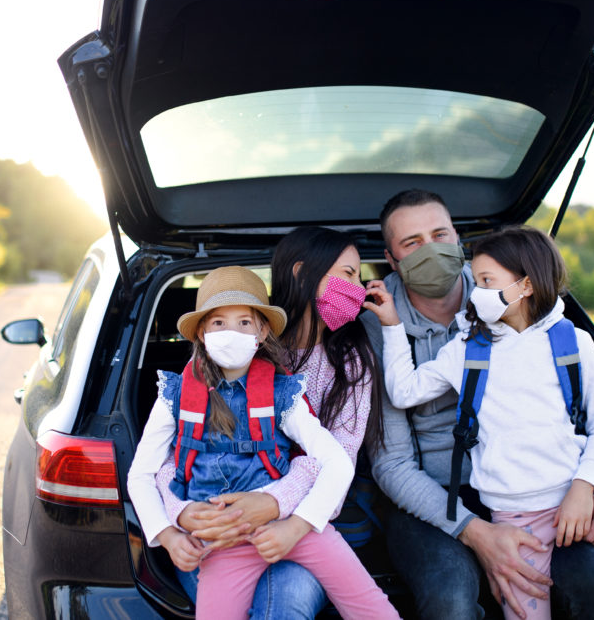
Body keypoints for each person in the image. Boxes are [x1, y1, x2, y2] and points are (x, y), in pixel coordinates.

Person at [369, 225, 594, 620]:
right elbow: (404, 392)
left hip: (580, 504)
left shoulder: (573, 342)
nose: (476, 292)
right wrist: (391, 325)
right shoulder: (467, 348)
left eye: (486, 281)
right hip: (515, 523)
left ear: (524, 286)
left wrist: (586, 486)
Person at [126, 265, 399, 620]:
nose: (231, 332)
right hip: (224, 545)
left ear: (262, 330)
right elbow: (141, 475)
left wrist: (297, 525)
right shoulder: (174, 397)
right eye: (218, 323)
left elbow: (337, 462)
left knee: (374, 611)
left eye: (244, 322)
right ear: (202, 333)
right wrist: (168, 535)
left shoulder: (283, 393)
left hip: (297, 531)